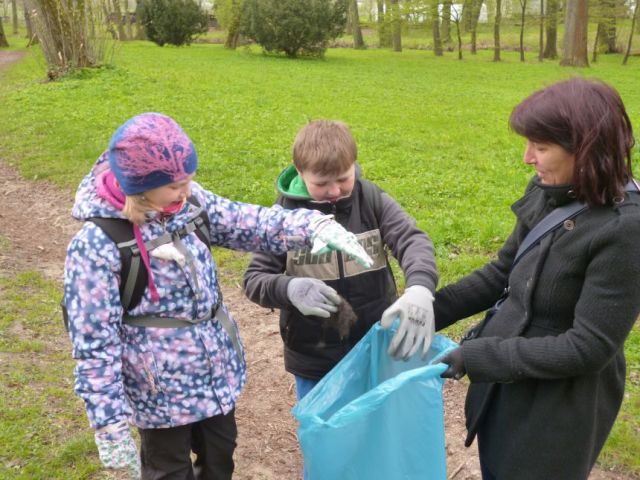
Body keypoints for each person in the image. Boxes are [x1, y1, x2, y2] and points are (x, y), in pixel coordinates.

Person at [63, 113, 374, 480]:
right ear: (139, 186)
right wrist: (109, 425)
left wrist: (311, 223)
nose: (187, 190)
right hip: (158, 390)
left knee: (220, 460)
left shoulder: (189, 203)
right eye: (176, 185)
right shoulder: (97, 246)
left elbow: (250, 222)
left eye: (188, 180)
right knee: (170, 470)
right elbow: (94, 344)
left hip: (213, 376)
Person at [437, 78, 640, 480]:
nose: (528, 158)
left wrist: (476, 357)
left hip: (559, 406)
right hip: (508, 381)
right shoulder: (553, 190)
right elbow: (502, 272)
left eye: (542, 147)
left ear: (587, 149)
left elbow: (589, 347)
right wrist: (425, 311)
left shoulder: (625, 229)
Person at [243, 119, 438, 403]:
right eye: (321, 183)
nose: (334, 191)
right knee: (326, 436)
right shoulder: (283, 216)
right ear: (300, 172)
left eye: (344, 179)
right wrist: (289, 289)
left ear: (354, 165)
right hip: (314, 355)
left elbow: (412, 240)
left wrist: (420, 286)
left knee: (376, 428)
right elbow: (254, 278)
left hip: (374, 345)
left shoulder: (371, 199)